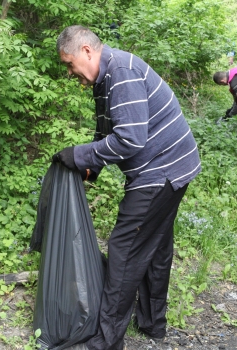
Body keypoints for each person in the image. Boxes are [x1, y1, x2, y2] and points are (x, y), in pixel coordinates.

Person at [53, 25, 201, 350]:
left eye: (69, 64)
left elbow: (130, 140)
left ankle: (105, 342)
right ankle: (151, 323)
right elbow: (106, 130)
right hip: (176, 165)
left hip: (161, 171)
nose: (69, 72)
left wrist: (77, 155)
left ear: (87, 52)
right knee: (156, 245)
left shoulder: (122, 72)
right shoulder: (104, 79)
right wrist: (89, 167)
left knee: (125, 251)